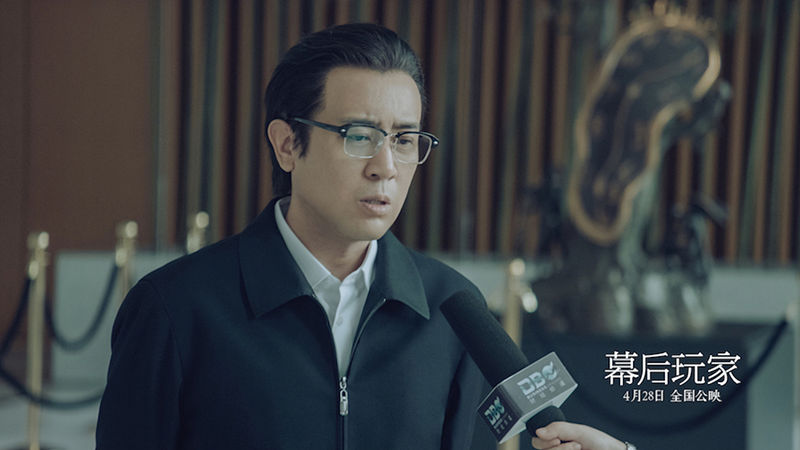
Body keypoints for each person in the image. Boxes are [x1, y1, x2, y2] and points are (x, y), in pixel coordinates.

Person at [96, 22, 629, 450]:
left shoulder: (449, 309)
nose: (385, 167)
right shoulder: (176, 309)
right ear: (287, 144)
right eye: (358, 136)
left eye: (404, 139)